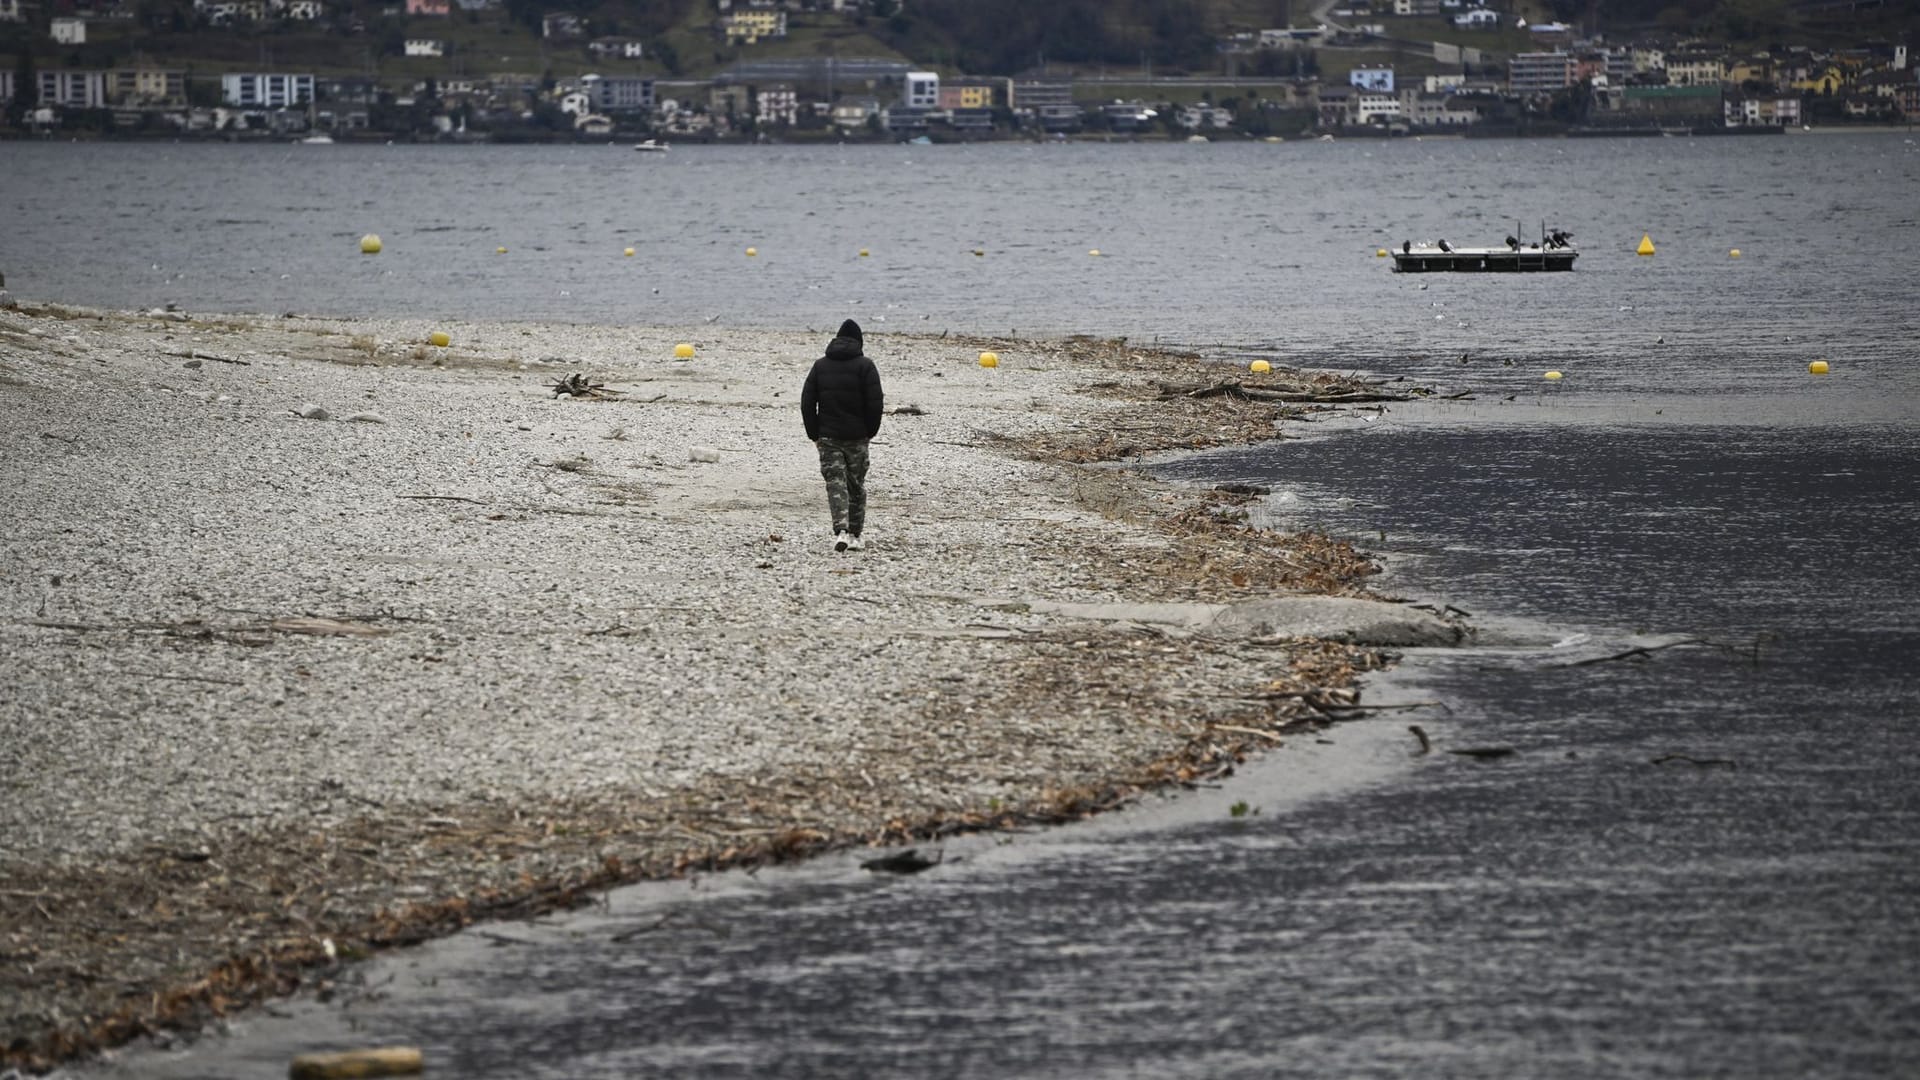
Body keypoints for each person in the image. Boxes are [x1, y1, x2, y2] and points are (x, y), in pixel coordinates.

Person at [800, 319, 884, 552]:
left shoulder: (820, 366)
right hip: (857, 437)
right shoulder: (866, 366)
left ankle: (842, 531)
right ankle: (856, 535)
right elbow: (875, 403)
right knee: (856, 485)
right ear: (859, 342)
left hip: (828, 437)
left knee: (835, 483)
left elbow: (807, 403)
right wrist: (870, 431)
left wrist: (814, 434)